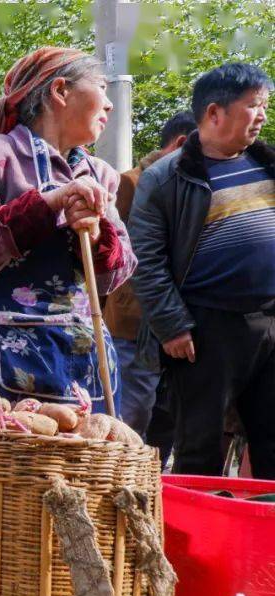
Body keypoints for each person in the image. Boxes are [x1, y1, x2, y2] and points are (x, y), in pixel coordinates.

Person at [0, 47, 135, 412]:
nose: (109, 104)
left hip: (77, 360)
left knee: (83, 468)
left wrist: (96, 232)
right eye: (101, 88)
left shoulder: (100, 174)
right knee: (0, 466)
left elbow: (113, 278)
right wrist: (51, 202)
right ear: (60, 91)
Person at [129, 62, 274, 478]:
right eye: (254, 105)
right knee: (200, 446)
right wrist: (171, 326)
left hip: (270, 321)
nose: (262, 115)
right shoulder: (165, 179)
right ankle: (197, 542)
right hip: (204, 329)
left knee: (271, 440)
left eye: (264, 105)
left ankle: (264, 537)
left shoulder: (267, 165)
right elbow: (146, 260)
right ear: (214, 113)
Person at [103, 111, 195, 461]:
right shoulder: (130, 183)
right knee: (130, 416)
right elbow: (108, 257)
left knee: (166, 420)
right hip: (132, 325)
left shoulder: (189, 189)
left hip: (178, 325)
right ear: (182, 144)